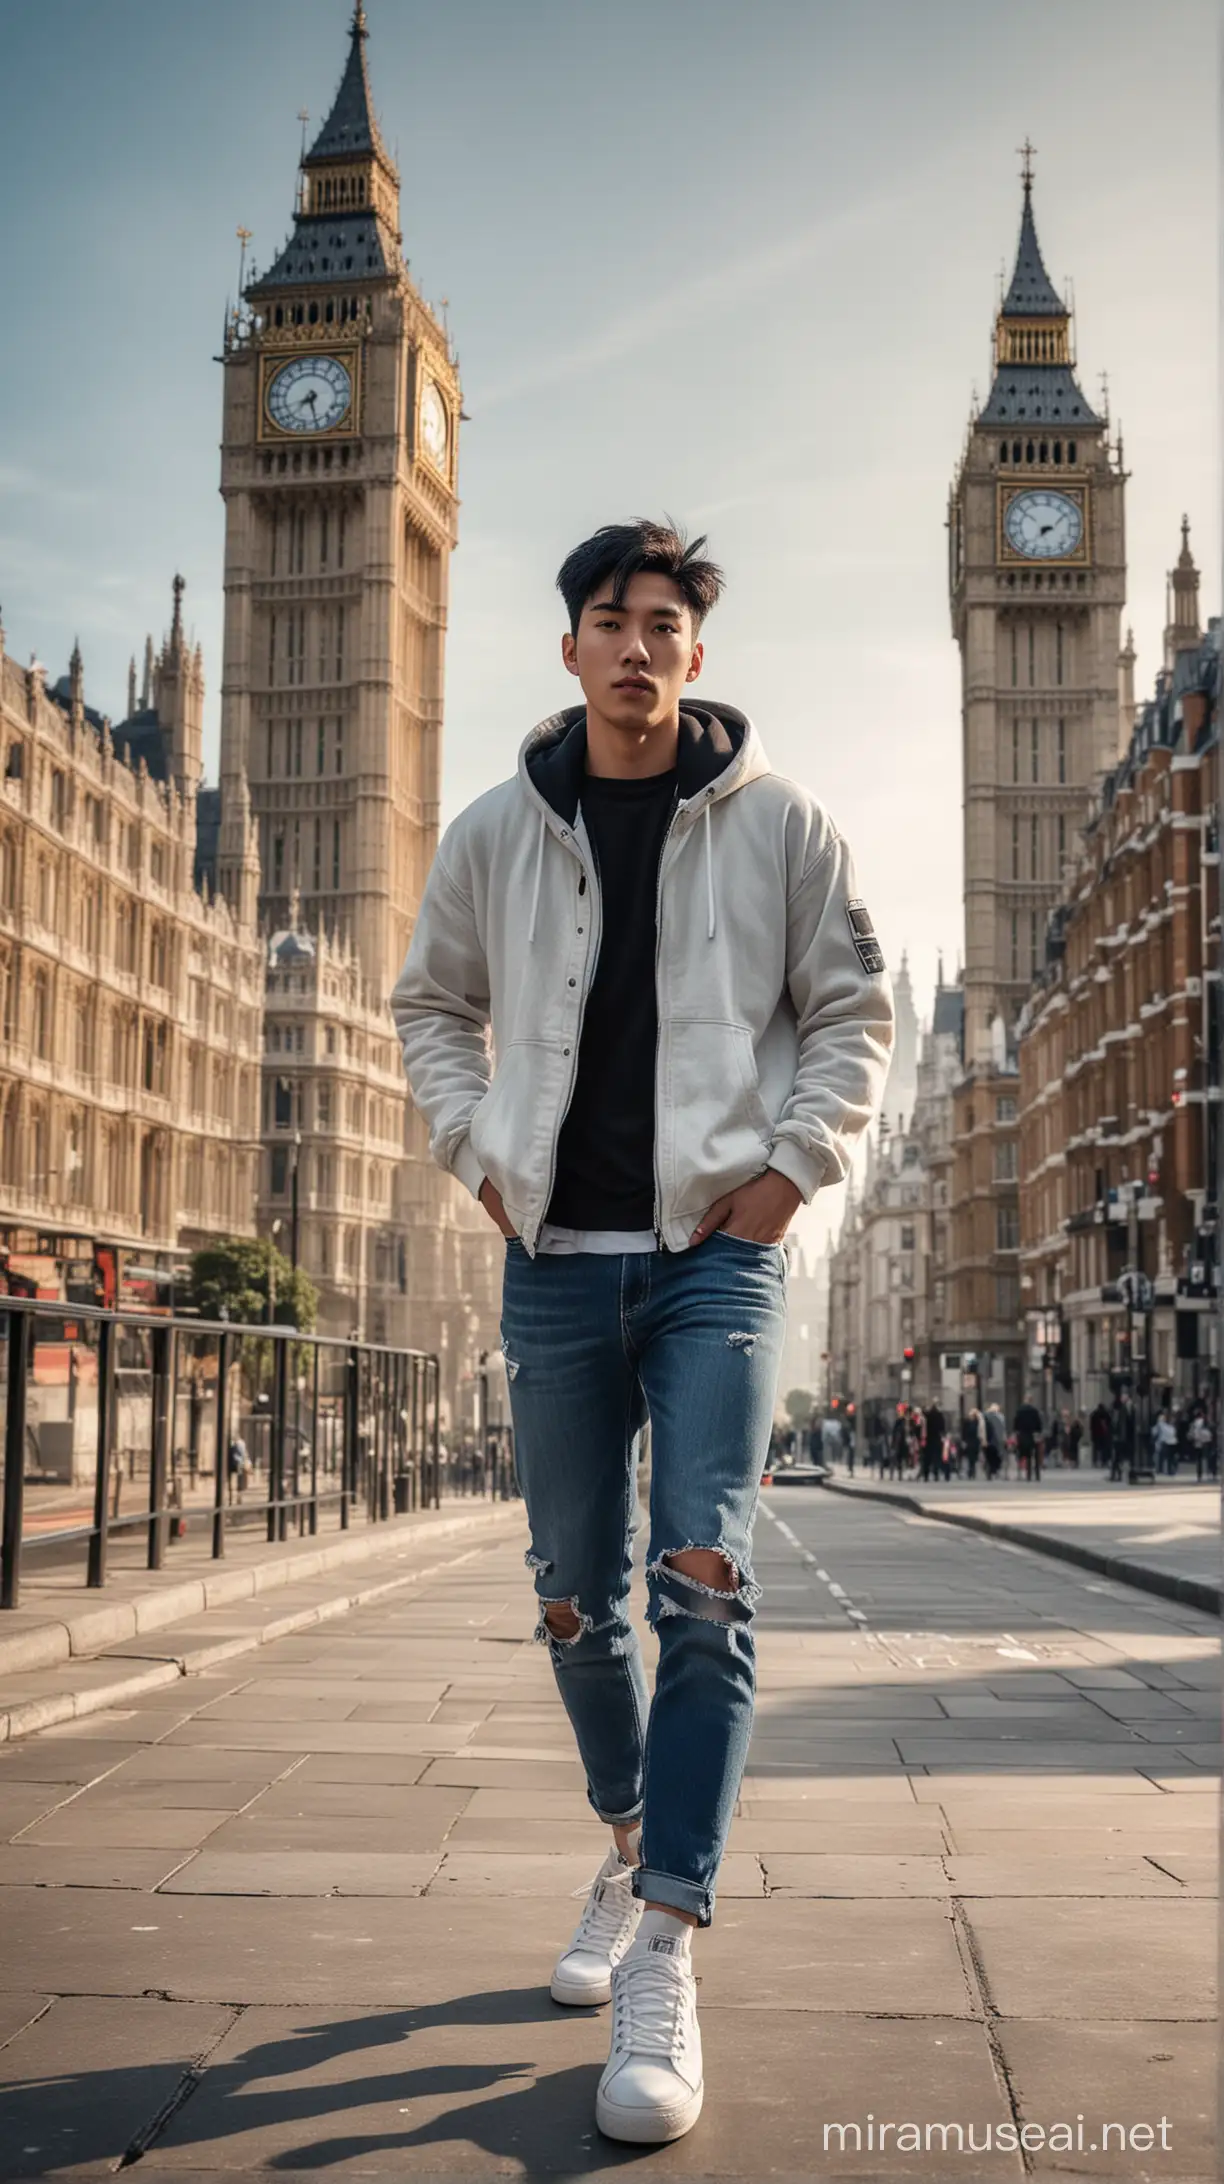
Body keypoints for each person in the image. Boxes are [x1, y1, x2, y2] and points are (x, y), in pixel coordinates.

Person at [392, 519, 893, 2147]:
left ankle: (664, 1938)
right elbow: (427, 1006)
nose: (632, 644)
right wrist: (478, 1156)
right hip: (551, 1259)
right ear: (569, 649)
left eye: (660, 621)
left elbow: (848, 1010)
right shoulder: (491, 831)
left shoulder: (779, 826)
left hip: (709, 1263)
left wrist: (784, 1174)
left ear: (693, 650)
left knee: (703, 1577)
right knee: (566, 1598)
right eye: (607, 619)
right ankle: (624, 1833)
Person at [1013, 1396, 1044, 1480]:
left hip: (1023, 1435)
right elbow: (1039, 1424)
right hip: (1033, 1435)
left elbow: (1016, 1424)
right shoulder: (1035, 1411)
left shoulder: (1020, 1411)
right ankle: (1037, 1474)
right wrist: (1038, 1432)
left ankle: (1027, 1475)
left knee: (1025, 1455)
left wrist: (1016, 1431)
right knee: (1035, 1455)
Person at [920, 1399, 946, 1483]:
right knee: (936, 1458)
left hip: (927, 1439)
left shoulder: (927, 1415)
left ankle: (926, 1475)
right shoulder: (939, 1415)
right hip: (936, 1438)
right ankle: (936, 1474)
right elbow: (942, 1428)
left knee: (927, 1458)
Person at [1151, 1405, 1178, 1477]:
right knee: (1171, 1458)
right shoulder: (1171, 1424)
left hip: (1164, 1442)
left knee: (1161, 1456)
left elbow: (1154, 1432)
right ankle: (1171, 1470)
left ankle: (1160, 1469)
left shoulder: (1160, 1423)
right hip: (1172, 1442)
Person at [983, 1402, 1006, 1480]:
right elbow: (1003, 1429)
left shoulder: (985, 1416)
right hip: (997, 1440)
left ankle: (990, 1471)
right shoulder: (1001, 1417)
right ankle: (994, 1470)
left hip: (989, 1439)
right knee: (996, 1456)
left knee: (989, 1456)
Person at [961, 1405, 982, 1481]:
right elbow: (964, 1432)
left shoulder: (978, 1422)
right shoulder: (968, 1422)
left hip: (974, 1442)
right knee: (970, 1458)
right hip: (970, 1442)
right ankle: (971, 1471)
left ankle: (972, 1471)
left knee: (973, 1458)